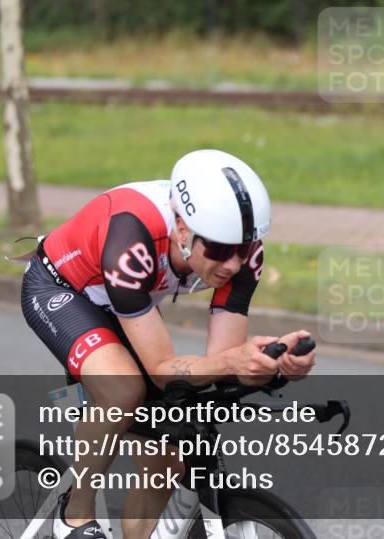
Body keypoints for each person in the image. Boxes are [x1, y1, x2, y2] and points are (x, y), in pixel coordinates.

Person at [19, 149, 316, 539]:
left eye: (242, 250)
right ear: (181, 229)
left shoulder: (243, 256)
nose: (232, 265)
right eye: (220, 250)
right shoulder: (133, 235)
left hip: (126, 299)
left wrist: (270, 366)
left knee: (168, 455)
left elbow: (220, 364)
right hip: (62, 289)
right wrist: (234, 362)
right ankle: (74, 513)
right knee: (123, 389)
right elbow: (163, 370)